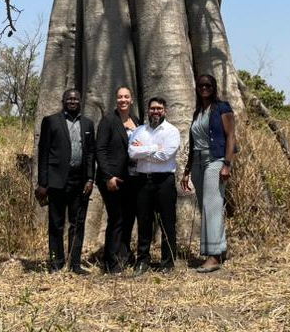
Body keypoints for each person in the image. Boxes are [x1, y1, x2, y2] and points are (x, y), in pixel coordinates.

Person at [35, 89, 96, 275]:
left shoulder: (88, 123)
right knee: (56, 223)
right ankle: (56, 263)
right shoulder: (51, 121)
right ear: (63, 101)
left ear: (80, 101)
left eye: (76, 99)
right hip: (57, 181)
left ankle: (75, 264)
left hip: (80, 181)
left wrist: (90, 178)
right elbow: (43, 152)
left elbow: (90, 153)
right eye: (69, 99)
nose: (72, 101)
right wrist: (43, 183)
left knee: (77, 224)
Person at [180, 74, 236, 273]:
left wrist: (227, 164)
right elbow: (194, 143)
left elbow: (231, 137)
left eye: (208, 85)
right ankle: (220, 249)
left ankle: (213, 257)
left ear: (214, 87)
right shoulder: (198, 112)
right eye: (201, 85)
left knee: (212, 206)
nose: (204, 88)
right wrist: (187, 170)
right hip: (197, 163)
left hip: (215, 161)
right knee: (208, 207)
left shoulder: (222, 108)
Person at [128, 96, 181, 276]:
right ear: (148, 110)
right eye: (152, 108)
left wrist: (143, 149)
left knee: (167, 222)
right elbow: (132, 152)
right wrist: (154, 148)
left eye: (159, 108)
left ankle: (168, 262)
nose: (155, 111)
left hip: (164, 181)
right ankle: (142, 260)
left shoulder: (172, 131)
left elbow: (165, 156)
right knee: (144, 221)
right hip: (143, 180)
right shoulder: (139, 130)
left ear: (165, 111)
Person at [95, 86, 140, 273]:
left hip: (131, 178)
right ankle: (110, 261)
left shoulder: (136, 120)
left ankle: (124, 255)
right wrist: (108, 176)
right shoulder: (108, 121)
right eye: (120, 97)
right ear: (116, 99)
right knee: (116, 218)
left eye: (126, 97)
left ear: (131, 99)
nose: (123, 100)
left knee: (128, 218)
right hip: (112, 179)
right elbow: (100, 150)